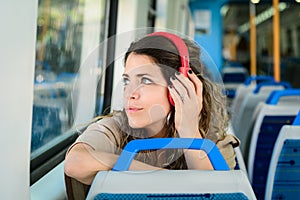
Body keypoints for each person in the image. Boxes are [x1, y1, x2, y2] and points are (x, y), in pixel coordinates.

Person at [64, 32, 240, 190]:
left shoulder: (218, 144)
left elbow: (213, 193)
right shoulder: (116, 128)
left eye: (146, 81)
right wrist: (125, 162)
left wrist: (189, 131)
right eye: (127, 81)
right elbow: (75, 162)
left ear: (181, 89)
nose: (130, 94)